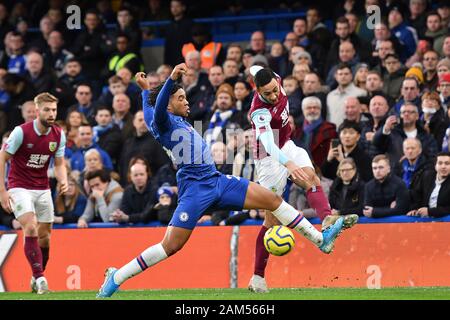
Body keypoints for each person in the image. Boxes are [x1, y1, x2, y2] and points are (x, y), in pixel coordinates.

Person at [96, 64, 346, 298]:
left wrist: (143, 90)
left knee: (272, 200)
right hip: (194, 191)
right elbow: (157, 109)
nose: (187, 102)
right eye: (181, 98)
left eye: (185, 96)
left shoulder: (169, 116)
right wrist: (171, 79)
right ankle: (116, 277)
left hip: (216, 181)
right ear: (169, 104)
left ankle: (320, 239)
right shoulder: (162, 123)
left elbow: (151, 105)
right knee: (170, 246)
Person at [246, 66, 358, 294]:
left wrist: (255, 69)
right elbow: (268, 145)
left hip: (286, 143)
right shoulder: (259, 112)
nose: (274, 96)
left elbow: (255, 68)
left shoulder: (274, 77)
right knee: (271, 222)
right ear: (257, 91)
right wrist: (288, 164)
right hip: (268, 160)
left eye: (275, 90)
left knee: (311, 178)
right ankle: (257, 277)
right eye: (267, 94)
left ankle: (326, 220)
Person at [0, 92, 68, 294]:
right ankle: (41, 279)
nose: (51, 113)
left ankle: (35, 275)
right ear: (37, 111)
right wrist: (2, 191)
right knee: (30, 227)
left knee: (45, 238)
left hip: (42, 188)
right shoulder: (20, 132)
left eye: (54, 110)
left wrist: (63, 179)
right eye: (47, 109)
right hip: (19, 187)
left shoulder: (58, 134)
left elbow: (59, 164)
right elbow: (2, 158)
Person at [408, 151, 450, 218]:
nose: (443, 166)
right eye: (440, 163)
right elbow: (416, 195)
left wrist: (430, 211)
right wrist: (414, 209)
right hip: (425, 220)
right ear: (435, 166)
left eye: (447, 163)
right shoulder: (427, 176)